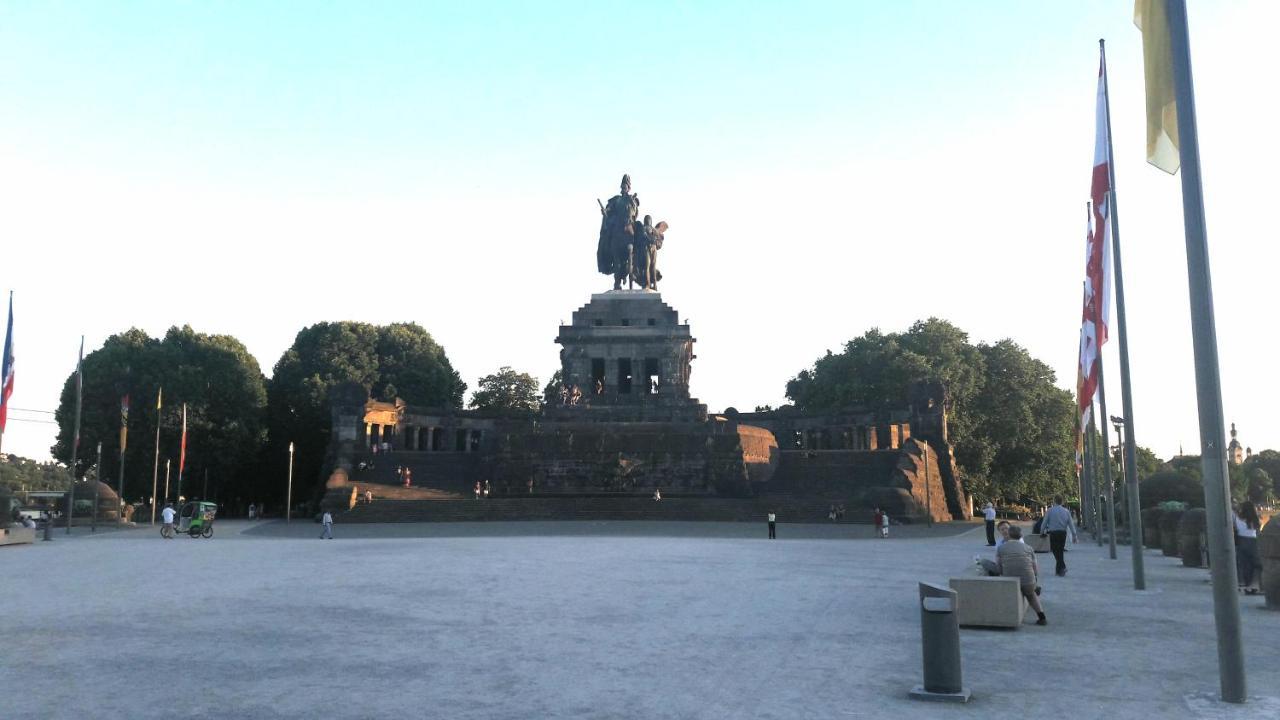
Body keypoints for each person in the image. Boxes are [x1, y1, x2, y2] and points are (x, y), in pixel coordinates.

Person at [997, 526, 1047, 625]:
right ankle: (1041, 616)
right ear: (1021, 535)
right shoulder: (1028, 548)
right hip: (1027, 580)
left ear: (1009, 535)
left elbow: (998, 566)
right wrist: (1035, 578)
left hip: (1010, 580)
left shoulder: (1001, 548)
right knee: (1031, 594)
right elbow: (1034, 567)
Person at [1040, 495, 1078, 577]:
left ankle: (1062, 567)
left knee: (1055, 550)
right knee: (1060, 550)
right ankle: (1059, 571)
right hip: (1063, 533)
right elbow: (1071, 524)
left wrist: (1041, 532)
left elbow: (1044, 522)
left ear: (1054, 501)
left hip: (1053, 533)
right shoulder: (1066, 511)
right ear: (1062, 501)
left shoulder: (1050, 511)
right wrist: (1074, 535)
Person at [1234, 501, 1263, 594]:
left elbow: (1235, 528)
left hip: (1241, 541)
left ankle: (1244, 583)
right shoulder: (1255, 519)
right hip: (1253, 541)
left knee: (1243, 563)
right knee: (1256, 564)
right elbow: (1258, 531)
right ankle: (1253, 584)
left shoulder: (1237, 518)